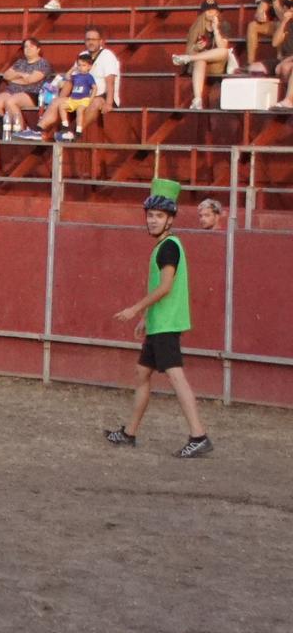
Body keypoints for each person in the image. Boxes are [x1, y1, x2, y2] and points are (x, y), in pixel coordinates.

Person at [105, 179, 212, 459]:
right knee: (142, 374)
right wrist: (146, 319)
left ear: (170, 220)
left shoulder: (168, 247)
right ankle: (129, 433)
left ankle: (198, 435)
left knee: (176, 378)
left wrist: (135, 310)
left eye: (159, 216)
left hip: (166, 324)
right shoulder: (165, 246)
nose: (152, 221)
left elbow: (165, 287)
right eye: (150, 215)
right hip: (159, 323)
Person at [171, 0, 232, 110]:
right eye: (209, 11)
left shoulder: (224, 25)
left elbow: (222, 46)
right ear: (203, 13)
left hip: (217, 64)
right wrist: (196, 47)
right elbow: (189, 49)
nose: (212, 14)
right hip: (200, 65)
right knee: (200, 60)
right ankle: (198, 99)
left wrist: (216, 30)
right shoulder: (196, 27)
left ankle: (188, 59)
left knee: (223, 51)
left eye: (214, 11)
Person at [0, 37, 53, 135]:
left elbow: (32, 80)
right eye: (25, 47)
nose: (28, 49)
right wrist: (22, 75)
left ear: (38, 49)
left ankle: (20, 131)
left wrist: (15, 78)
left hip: (32, 93)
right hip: (12, 90)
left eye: (31, 46)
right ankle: (2, 130)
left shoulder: (42, 63)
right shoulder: (20, 62)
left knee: (11, 102)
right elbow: (6, 76)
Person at [33, 51, 98, 139]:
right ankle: (65, 124)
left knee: (80, 110)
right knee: (62, 106)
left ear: (89, 67)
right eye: (79, 65)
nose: (81, 67)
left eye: (84, 65)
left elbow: (94, 88)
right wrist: (73, 69)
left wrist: (91, 98)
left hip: (83, 99)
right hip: (73, 99)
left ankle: (78, 130)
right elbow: (67, 76)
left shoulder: (89, 77)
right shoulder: (76, 76)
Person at [246, 0, 289, 73]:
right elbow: (259, 11)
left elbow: (284, 17)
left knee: (279, 24)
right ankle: (250, 62)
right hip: (278, 25)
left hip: (289, 24)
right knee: (252, 25)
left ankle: (280, 56)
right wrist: (260, 15)